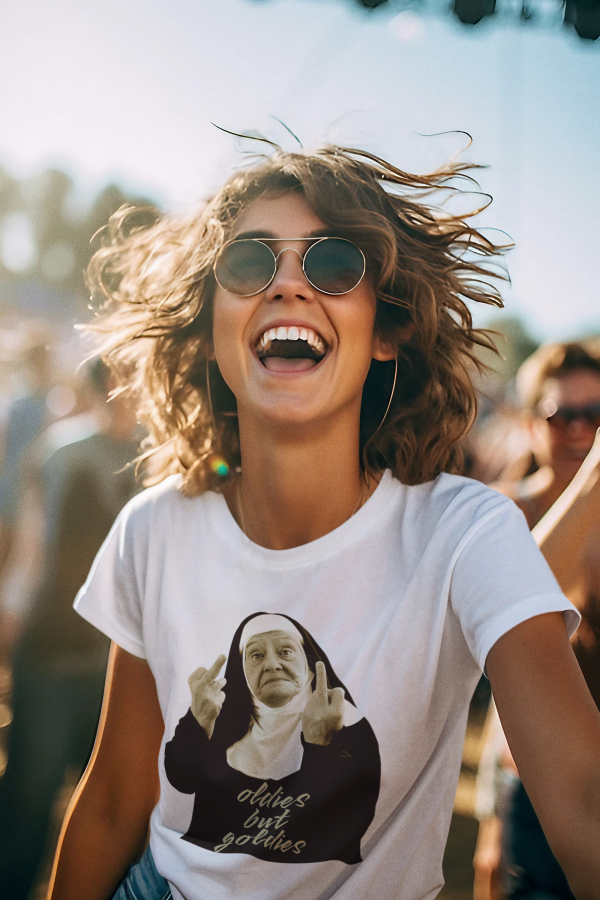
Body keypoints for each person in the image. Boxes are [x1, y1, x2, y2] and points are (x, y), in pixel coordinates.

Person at [47, 145, 600, 900]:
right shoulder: (154, 531)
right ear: (213, 325)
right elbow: (112, 804)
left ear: (386, 332)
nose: (288, 284)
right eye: (248, 263)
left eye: (335, 264)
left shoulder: (466, 534)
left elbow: (584, 804)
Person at [0, 359, 140, 900]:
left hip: (129, 667)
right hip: (55, 654)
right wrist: (10, 622)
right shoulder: (61, 452)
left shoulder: (170, 455)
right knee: (29, 805)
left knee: (123, 814)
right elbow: (31, 550)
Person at [473, 339, 600, 900]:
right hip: (535, 783)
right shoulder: (501, 512)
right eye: (561, 415)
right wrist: (490, 818)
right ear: (530, 424)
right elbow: (519, 610)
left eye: (595, 415)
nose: (579, 430)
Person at [164, 612, 380, 864]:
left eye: (285, 651)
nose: (272, 664)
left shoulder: (348, 724)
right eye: (256, 655)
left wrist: (320, 746)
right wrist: (198, 719)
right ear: (241, 670)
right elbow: (181, 780)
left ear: (309, 661)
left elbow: (340, 829)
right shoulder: (221, 721)